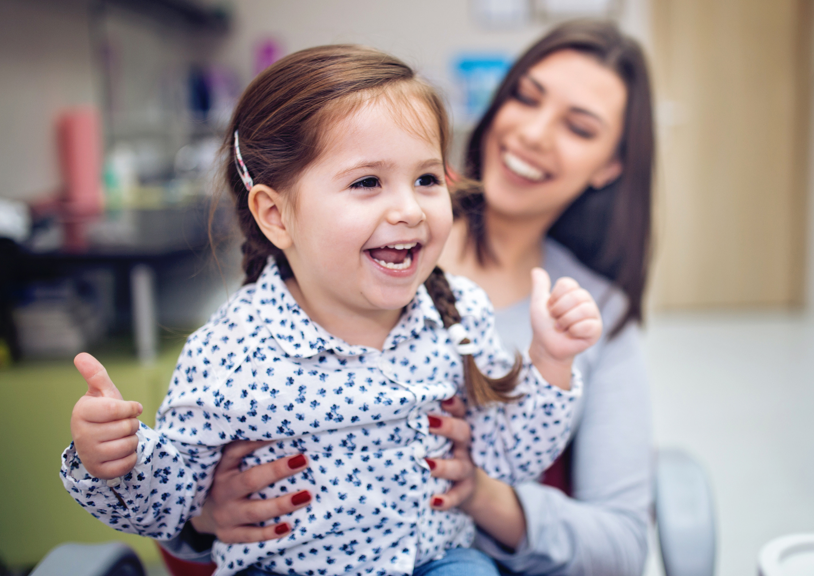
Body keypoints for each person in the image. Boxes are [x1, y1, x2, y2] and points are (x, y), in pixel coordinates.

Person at [60, 44, 606, 576]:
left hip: (436, 560)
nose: (410, 209)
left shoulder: (458, 315)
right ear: (275, 215)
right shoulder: (230, 352)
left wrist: (551, 360)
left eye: (426, 179)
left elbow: (510, 459)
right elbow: (168, 505)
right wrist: (116, 459)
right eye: (368, 181)